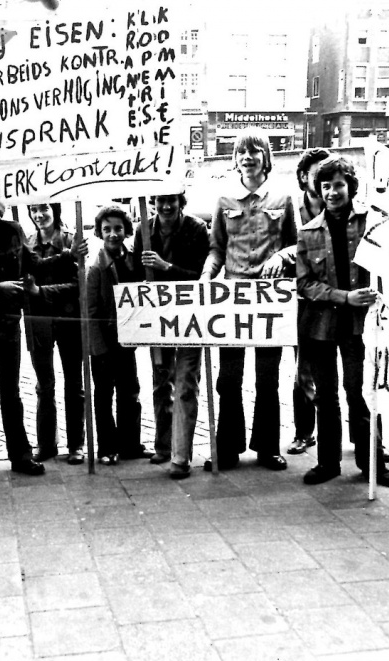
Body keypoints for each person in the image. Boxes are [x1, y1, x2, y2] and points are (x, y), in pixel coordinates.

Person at [0, 179, 84, 483]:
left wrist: (69, 255)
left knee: (11, 394)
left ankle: (20, 456)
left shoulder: (12, 230)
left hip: (9, 324)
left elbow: (32, 263)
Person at [296, 155, 389, 488]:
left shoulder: (371, 223)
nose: (332, 192)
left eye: (338, 185)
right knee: (326, 396)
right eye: (325, 186)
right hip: (321, 326)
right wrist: (343, 297)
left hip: (362, 324)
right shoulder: (308, 232)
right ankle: (328, 462)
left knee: (361, 392)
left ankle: (371, 462)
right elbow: (304, 282)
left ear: (350, 186)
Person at [201, 128, 296, 472]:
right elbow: (217, 248)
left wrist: (281, 257)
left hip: (271, 300)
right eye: (242, 152)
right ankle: (227, 447)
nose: (248, 157)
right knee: (228, 379)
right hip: (234, 298)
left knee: (267, 378)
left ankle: (268, 448)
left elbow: (297, 244)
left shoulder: (283, 198)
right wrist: (205, 278)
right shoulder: (224, 200)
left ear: (266, 158)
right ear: (235, 158)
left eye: (255, 151)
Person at [133, 192, 209, 478]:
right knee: (161, 380)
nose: (165, 206)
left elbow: (201, 274)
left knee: (186, 381)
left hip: (189, 316)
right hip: (158, 317)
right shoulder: (144, 230)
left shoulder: (196, 229)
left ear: (181, 202)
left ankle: (181, 456)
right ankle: (163, 445)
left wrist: (167, 268)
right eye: (160, 200)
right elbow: (137, 271)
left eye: (172, 201)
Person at [24, 203, 85, 465]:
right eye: (34, 209)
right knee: (44, 384)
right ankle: (47, 444)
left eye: (44, 208)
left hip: (69, 318)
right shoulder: (27, 243)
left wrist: (43, 292)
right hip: (38, 321)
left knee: (74, 383)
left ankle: (76, 445)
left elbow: (78, 284)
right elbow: (27, 277)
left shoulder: (72, 240)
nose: (39, 215)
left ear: (56, 209)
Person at [87, 206, 144, 465]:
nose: (113, 234)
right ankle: (106, 448)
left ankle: (130, 445)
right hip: (105, 342)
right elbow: (90, 310)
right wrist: (99, 349)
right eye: (107, 229)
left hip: (127, 339)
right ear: (99, 232)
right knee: (103, 395)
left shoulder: (133, 256)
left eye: (118, 229)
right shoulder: (96, 266)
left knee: (129, 392)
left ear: (126, 230)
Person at [283, 148, 330, 456]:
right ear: (303, 177)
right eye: (318, 173)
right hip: (302, 301)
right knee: (304, 371)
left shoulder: (340, 204)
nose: (325, 179)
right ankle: (304, 432)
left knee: (355, 373)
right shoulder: (291, 211)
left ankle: (366, 437)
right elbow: (282, 244)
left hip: (337, 300)